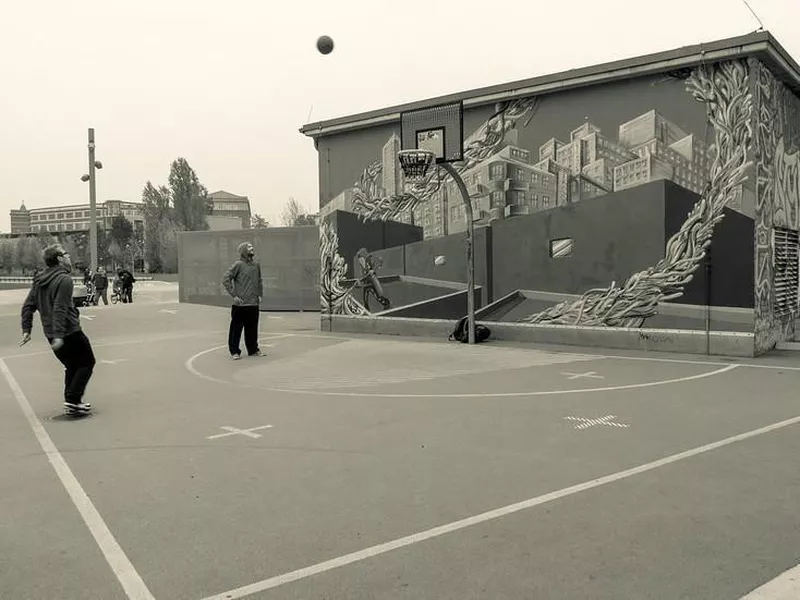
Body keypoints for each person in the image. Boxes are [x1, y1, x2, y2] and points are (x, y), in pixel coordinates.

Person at [20, 244, 96, 414]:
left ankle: (71, 401)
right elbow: (59, 309)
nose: (69, 257)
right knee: (87, 362)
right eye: (66, 254)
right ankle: (73, 399)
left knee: (72, 366)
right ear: (60, 259)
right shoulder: (64, 280)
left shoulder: (39, 280)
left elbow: (28, 306)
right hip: (69, 332)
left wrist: (27, 330)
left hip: (51, 334)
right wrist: (59, 335)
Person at [222, 242, 263, 360]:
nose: (252, 248)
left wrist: (260, 294)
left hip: (253, 303)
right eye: (249, 247)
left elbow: (260, 280)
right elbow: (226, 279)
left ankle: (253, 349)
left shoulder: (256, 265)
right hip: (240, 305)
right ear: (244, 251)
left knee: (252, 329)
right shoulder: (238, 265)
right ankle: (234, 351)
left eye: (252, 246)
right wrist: (234, 295)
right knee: (236, 329)